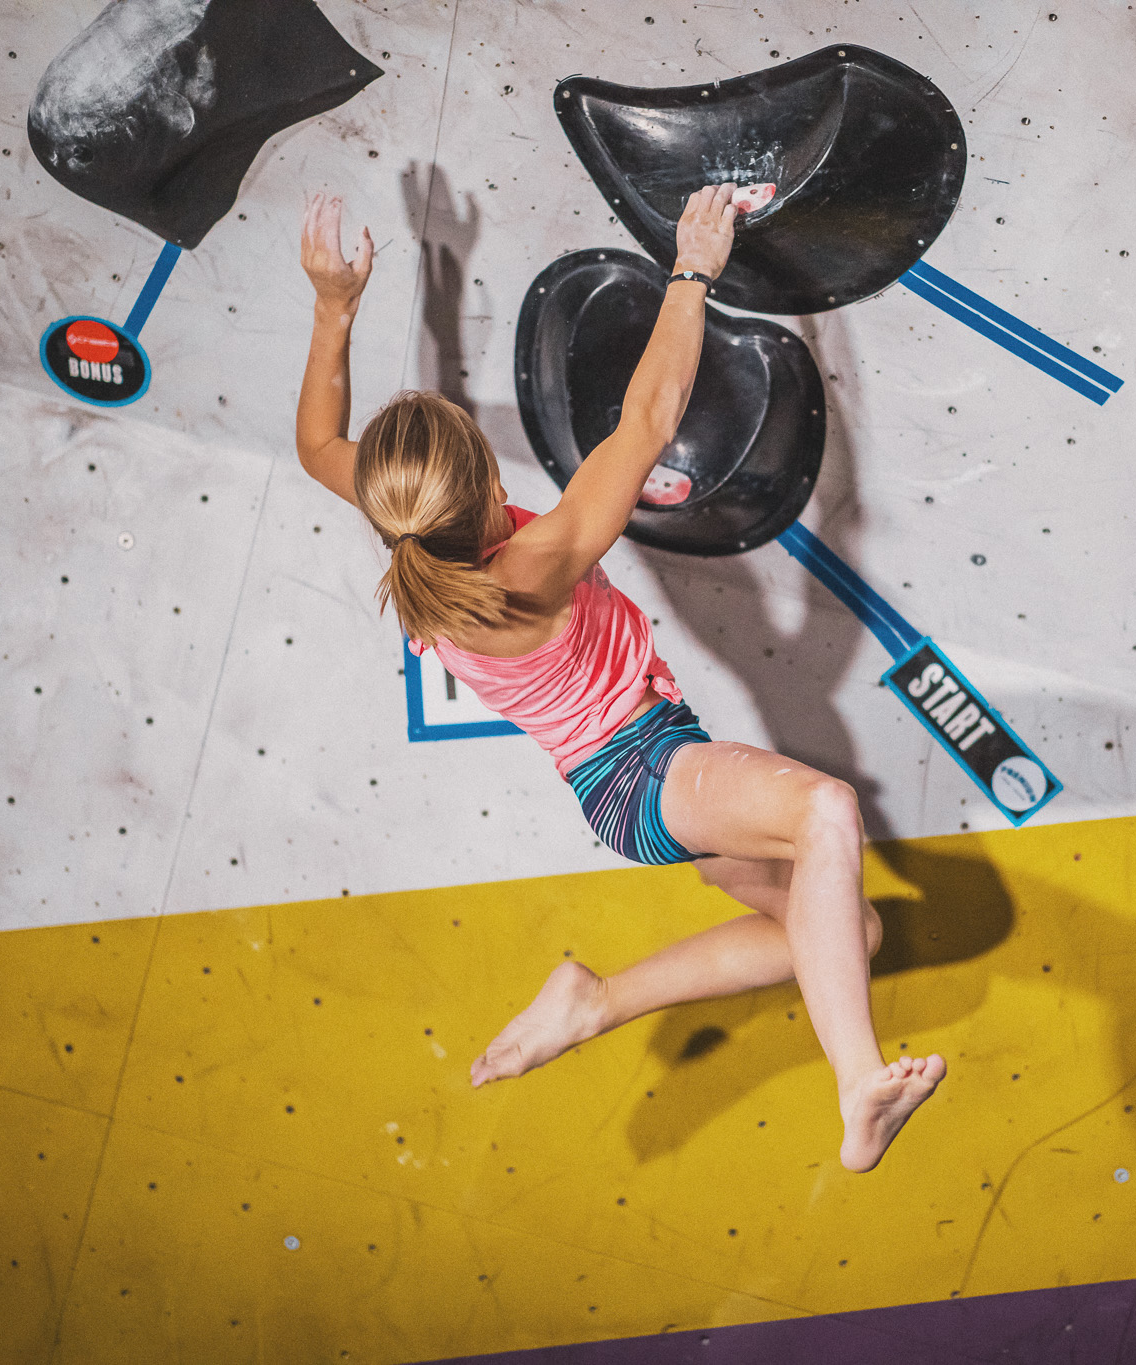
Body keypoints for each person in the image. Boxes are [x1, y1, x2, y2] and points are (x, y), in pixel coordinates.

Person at [293, 184, 944, 1172]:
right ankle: (856, 1089)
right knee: (825, 815)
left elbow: (317, 447)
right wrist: (691, 269)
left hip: (627, 778)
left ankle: (596, 1002)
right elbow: (644, 423)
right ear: (480, 478)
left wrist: (333, 306)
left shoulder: (408, 534)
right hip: (643, 772)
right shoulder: (529, 565)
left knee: (846, 927)